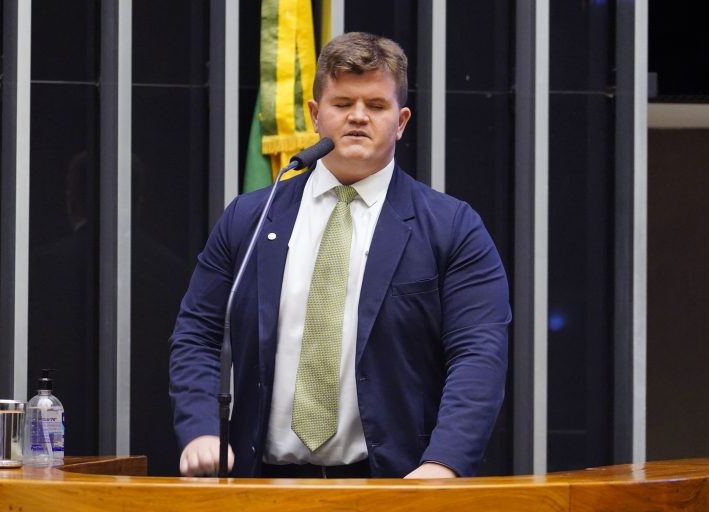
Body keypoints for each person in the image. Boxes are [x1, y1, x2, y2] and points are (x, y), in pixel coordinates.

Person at [169, 32, 510, 479]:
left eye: (376, 105)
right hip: (260, 482)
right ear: (315, 115)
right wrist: (199, 430)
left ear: (402, 121)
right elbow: (198, 333)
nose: (358, 117)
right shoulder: (252, 218)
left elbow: (478, 353)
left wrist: (443, 463)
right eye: (343, 103)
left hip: (396, 486)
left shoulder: (452, 227)